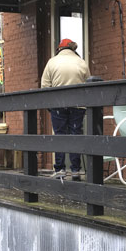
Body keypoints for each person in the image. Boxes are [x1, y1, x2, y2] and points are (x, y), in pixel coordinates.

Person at [41, 39, 91, 181]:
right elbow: (88, 84)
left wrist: (50, 105)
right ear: (73, 49)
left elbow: (45, 86)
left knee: (60, 135)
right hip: (77, 105)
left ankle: (60, 169)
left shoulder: (52, 62)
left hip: (58, 104)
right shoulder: (81, 62)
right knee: (76, 134)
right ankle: (76, 169)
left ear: (59, 49)